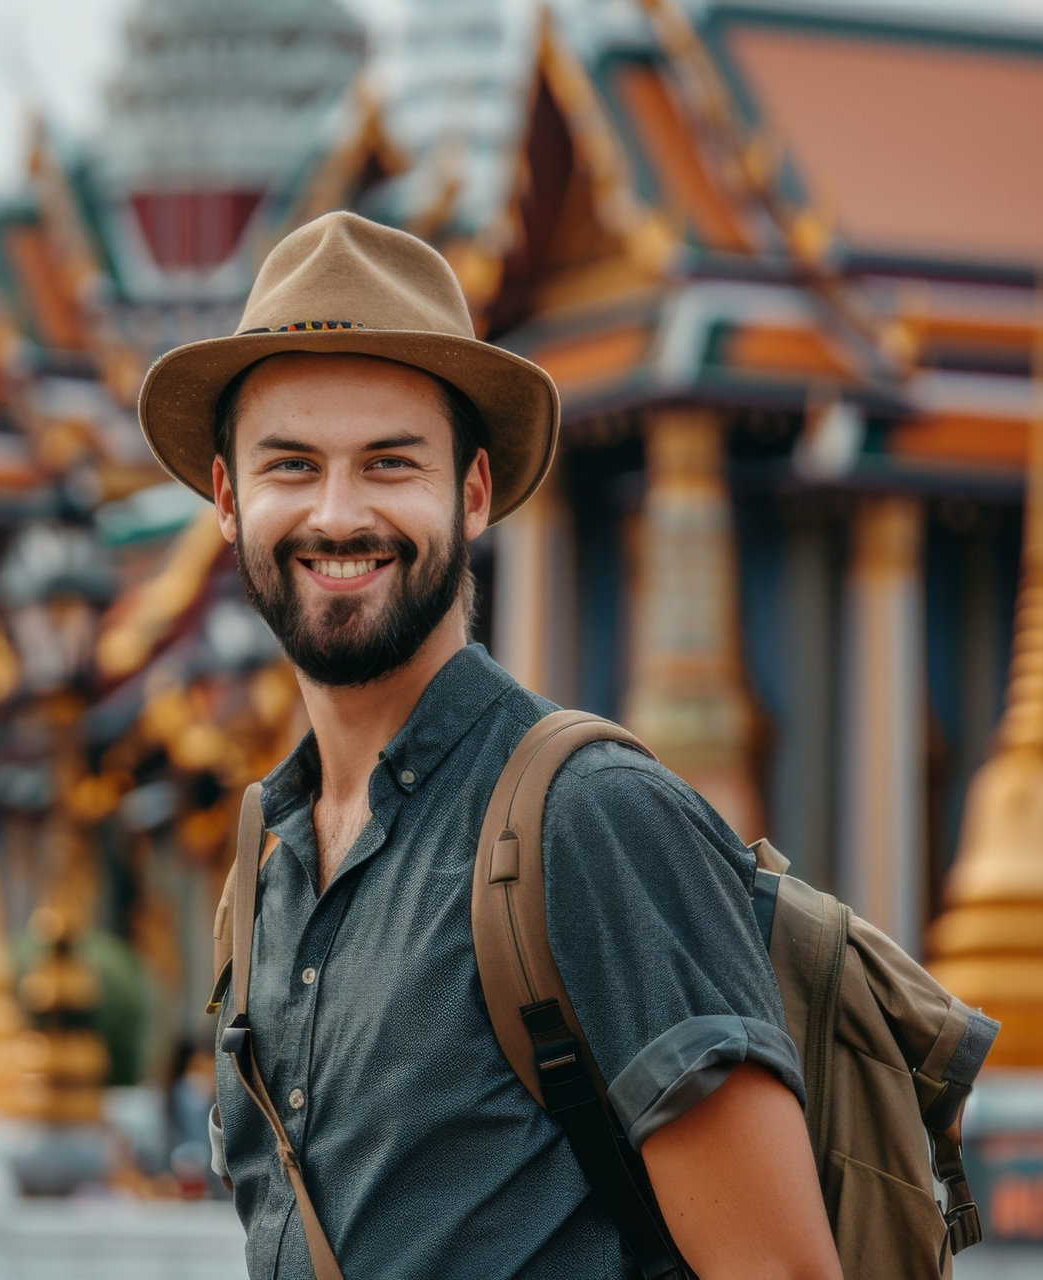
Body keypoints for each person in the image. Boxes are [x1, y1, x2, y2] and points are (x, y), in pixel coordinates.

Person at [137, 211, 841, 1278]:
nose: (336, 512)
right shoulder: (267, 866)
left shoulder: (591, 820)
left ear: (470, 493)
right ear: (229, 502)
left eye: (388, 462)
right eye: (291, 465)